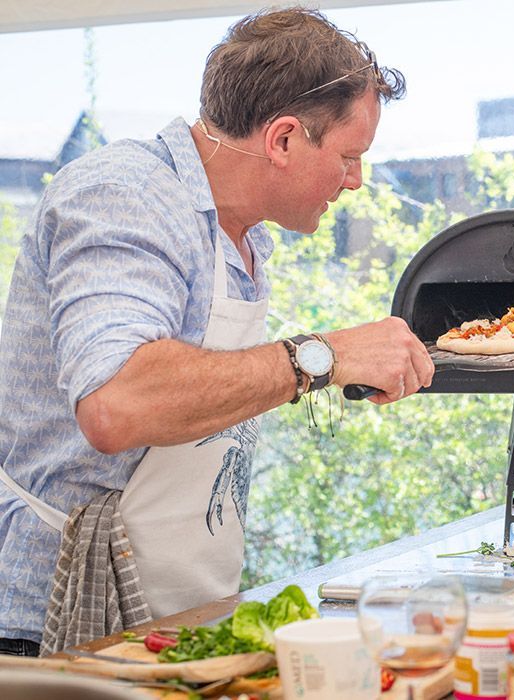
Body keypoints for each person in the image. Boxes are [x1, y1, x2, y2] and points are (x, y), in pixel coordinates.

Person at [0, 7, 434, 656]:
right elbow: (117, 402)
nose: (357, 181)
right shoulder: (124, 193)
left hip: (176, 602)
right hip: (54, 621)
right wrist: (327, 355)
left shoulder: (246, 235)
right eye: (348, 157)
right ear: (284, 139)